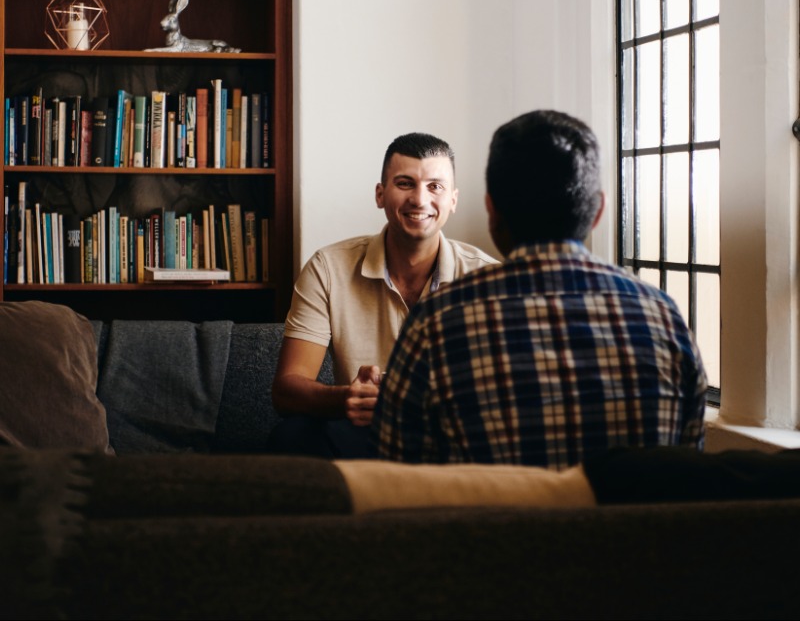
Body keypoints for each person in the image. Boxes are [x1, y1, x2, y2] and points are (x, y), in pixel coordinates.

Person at [371, 109, 708, 468]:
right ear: (598, 212)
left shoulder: (435, 323)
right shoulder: (664, 318)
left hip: (490, 523)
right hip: (633, 525)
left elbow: (399, 475)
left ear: (492, 212)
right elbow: (686, 471)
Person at [267, 132, 498, 457]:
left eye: (435, 186)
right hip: (365, 432)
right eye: (405, 183)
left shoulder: (487, 277)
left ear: (453, 200)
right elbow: (287, 389)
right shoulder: (327, 267)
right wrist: (346, 397)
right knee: (290, 436)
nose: (419, 199)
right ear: (380, 194)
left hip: (452, 438)